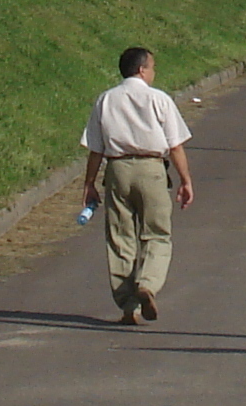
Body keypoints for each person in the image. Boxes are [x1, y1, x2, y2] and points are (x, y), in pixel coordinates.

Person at [79, 46, 195, 326]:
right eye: (152, 67)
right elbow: (175, 145)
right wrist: (185, 180)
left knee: (120, 238)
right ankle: (148, 283)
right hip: (152, 169)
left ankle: (128, 306)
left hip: (117, 169)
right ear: (142, 69)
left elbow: (96, 148)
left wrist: (89, 183)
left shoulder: (105, 100)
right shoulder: (159, 99)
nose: (154, 72)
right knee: (156, 233)